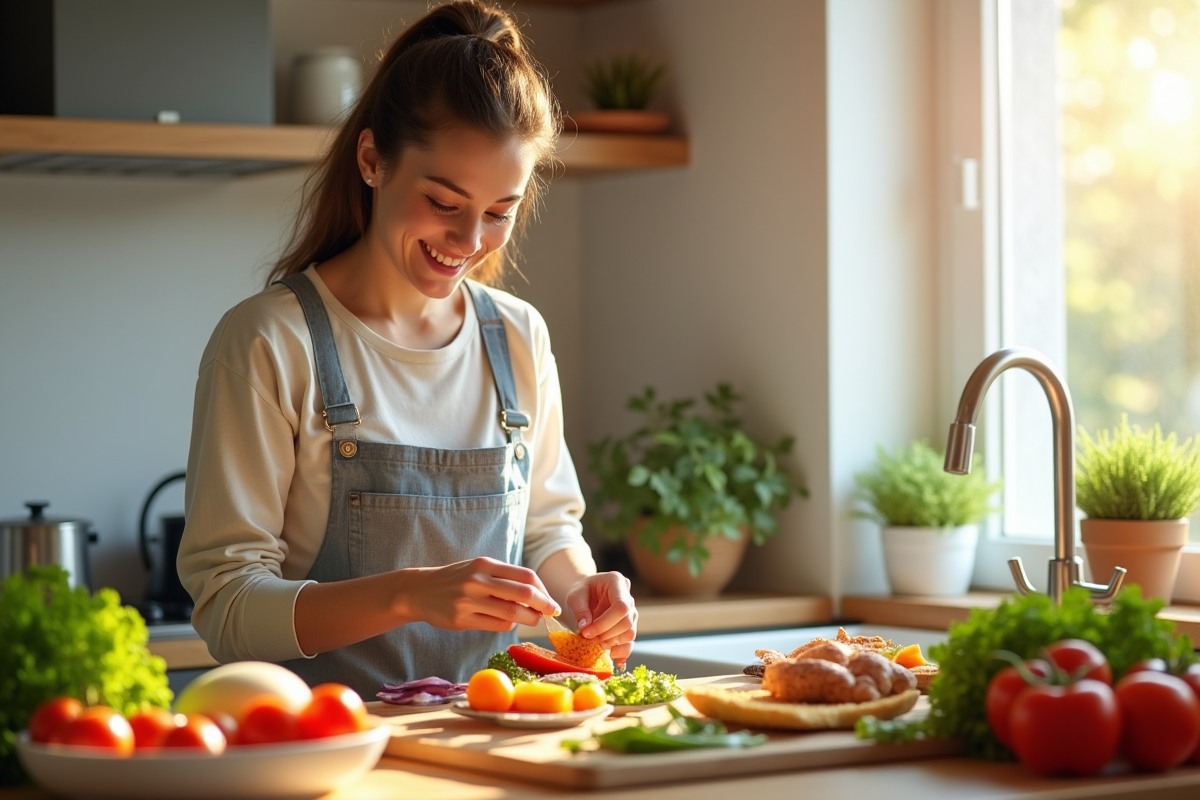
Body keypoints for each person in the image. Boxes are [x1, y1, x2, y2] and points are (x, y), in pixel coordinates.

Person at [177, 0, 637, 695]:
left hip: (491, 747)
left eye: (499, 213)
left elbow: (546, 529)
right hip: (327, 748)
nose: (470, 240)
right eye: (445, 203)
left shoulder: (517, 335)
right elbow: (228, 608)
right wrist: (408, 595)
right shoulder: (271, 340)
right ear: (372, 159)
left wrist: (582, 590)